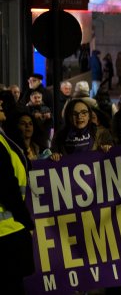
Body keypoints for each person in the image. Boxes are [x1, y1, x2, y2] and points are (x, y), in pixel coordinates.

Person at [0, 99, 35, 294]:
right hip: (7, 234)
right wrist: (26, 222)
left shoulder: (3, 137)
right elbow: (8, 187)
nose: (1, 102)